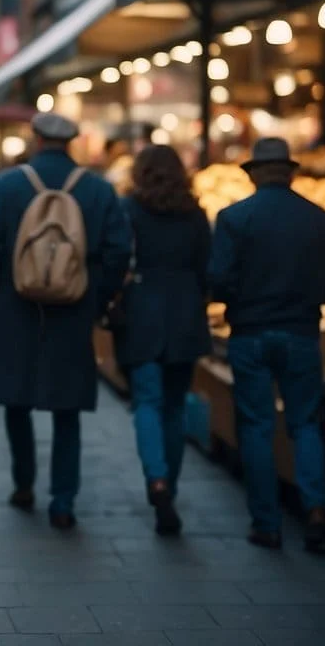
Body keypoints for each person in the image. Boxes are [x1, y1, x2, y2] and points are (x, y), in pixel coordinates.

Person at [0, 113, 131, 527]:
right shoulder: (97, 188)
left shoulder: (6, 185)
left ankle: (24, 483)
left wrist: (0, 289)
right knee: (67, 406)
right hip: (74, 310)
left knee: (16, 398)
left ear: (36, 138)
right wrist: (96, 295)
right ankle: (63, 499)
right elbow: (118, 250)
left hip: (16, 306)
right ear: (73, 142)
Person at [209, 137, 325, 551]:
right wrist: (309, 296)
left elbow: (217, 281)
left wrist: (244, 296)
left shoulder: (233, 218)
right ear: (291, 173)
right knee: (304, 423)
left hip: (250, 334)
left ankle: (267, 524)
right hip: (302, 333)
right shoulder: (318, 219)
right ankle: (317, 509)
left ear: (253, 174)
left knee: (256, 427)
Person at [113, 145, 212, 536]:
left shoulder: (129, 209)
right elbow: (208, 269)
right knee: (174, 407)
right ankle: (169, 482)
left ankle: (155, 478)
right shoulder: (195, 214)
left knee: (148, 404)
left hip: (141, 315)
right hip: (185, 315)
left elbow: (118, 258)